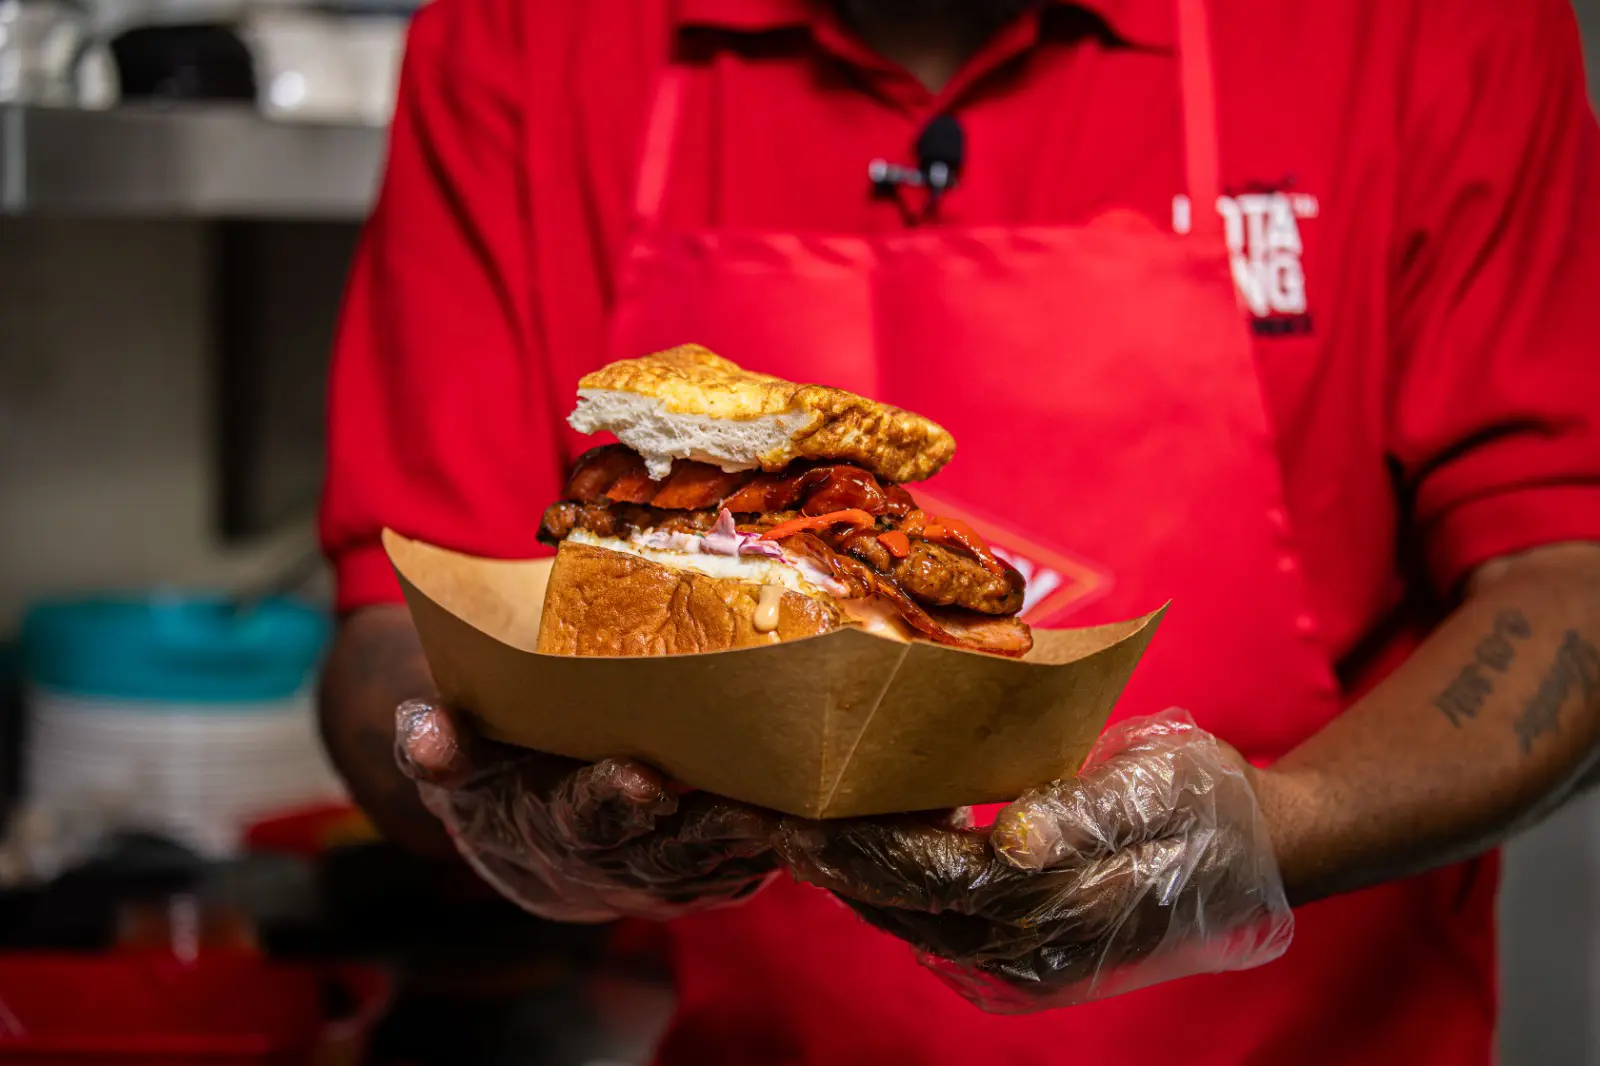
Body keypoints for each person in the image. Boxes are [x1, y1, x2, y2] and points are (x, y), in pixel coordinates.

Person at [317, 0, 1600, 1061]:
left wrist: (1275, 832)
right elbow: (400, 623)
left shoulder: (1431, 23)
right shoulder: (521, 37)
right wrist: (498, 800)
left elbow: (1567, 577)